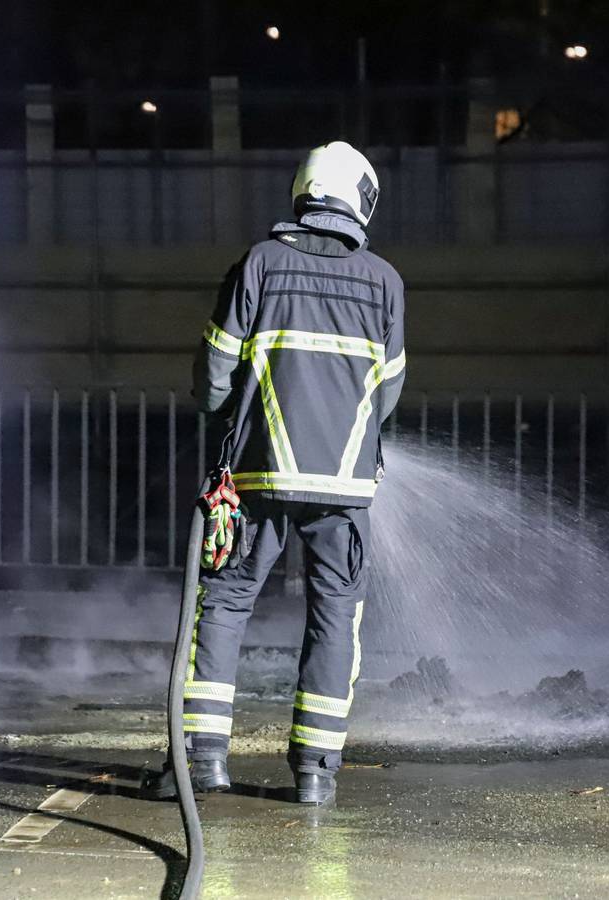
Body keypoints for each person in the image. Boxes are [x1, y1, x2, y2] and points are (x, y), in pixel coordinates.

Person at [141, 141, 406, 806]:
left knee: (225, 605)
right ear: (359, 201)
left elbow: (214, 375)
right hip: (344, 489)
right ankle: (316, 773)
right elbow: (390, 394)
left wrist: (219, 410)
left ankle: (203, 764)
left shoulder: (259, 264)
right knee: (336, 615)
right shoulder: (385, 282)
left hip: (257, 477)